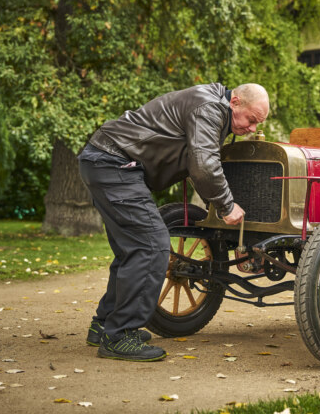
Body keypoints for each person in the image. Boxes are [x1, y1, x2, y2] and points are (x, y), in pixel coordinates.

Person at [78, 83, 270, 361]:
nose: (252, 128)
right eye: (251, 119)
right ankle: (119, 336)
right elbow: (203, 164)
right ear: (235, 102)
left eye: (257, 123)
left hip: (103, 159)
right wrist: (226, 205)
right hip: (114, 163)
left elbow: (195, 162)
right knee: (152, 246)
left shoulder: (211, 105)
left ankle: (105, 324)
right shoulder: (211, 108)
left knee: (131, 250)